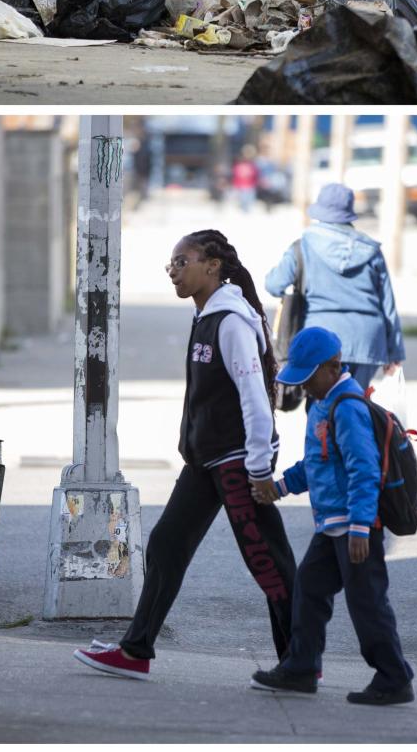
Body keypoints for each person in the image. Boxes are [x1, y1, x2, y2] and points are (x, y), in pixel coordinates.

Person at [73, 229, 297, 680]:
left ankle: (300, 661)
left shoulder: (231, 321)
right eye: (170, 264)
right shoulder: (206, 316)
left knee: (267, 561)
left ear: (212, 265)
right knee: (166, 545)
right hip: (203, 462)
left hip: (235, 463)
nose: (174, 271)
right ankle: (136, 651)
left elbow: (256, 398)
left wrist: (258, 467)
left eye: (182, 261)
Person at [249, 327, 415, 703]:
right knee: (309, 589)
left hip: (357, 527)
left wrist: (360, 525)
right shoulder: (323, 405)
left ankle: (394, 676)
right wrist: (278, 487)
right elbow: (315, 464)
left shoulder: (349, 409)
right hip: (332, 526)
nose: (304, 387)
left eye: (308, 379)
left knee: (367, 603)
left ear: (333, 368)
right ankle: (301, 667)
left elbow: (364, 469)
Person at [265, 183, 404, 393]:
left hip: (319, 341)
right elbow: (388, 305)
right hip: (365, 341)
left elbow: (273, 285)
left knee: (320, 409)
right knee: (355, 404)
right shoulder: (371, 250)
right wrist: (395, 353)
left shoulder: (302, 247)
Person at [231, 149, 260, 213]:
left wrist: (255, 183)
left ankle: (246, 210)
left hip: (250, 186)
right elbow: (235, 176)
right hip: (241, 186)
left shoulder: (252, 166)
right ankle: (243, 209)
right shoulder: (237, 167)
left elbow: (255, 175)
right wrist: (236, 185)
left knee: (249, 200)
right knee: (242, 199)